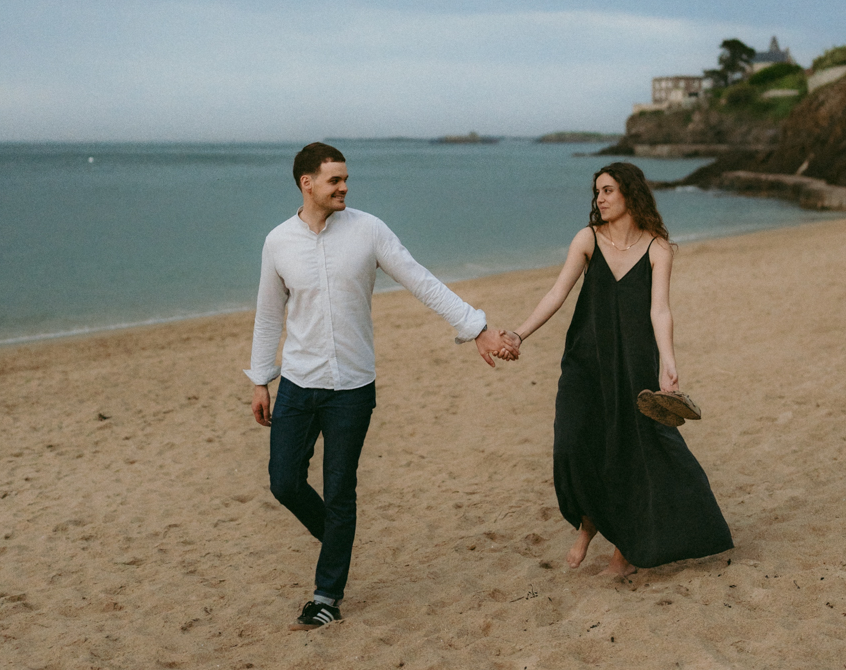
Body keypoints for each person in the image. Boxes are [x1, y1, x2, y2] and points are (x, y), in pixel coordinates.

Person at [247, 142, 515, 629]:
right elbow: (268, 315)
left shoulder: (368, 230)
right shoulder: (278, 242)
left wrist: (476, 327)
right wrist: (260, 379)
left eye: (345, 179)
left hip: (352, 387)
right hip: (298, 384)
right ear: (307, 183)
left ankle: (326, 597)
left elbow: (421, 281)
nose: (344, 187)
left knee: (340, 491)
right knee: (284, 482)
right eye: (334, 180)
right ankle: (338, 540)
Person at [501, 163, 732, 576]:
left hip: (634, 364)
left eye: (607, 190)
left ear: (630, 192)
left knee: (632, 452)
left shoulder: (658, 249)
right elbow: (557, 293)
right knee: (571, 443)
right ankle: (589, 522)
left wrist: (669, 363)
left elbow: (660, 310)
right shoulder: (587, 239)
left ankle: (623, 550)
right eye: (597, 192)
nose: (600, 199)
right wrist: (519, 334)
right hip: (585, 362)